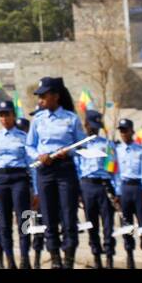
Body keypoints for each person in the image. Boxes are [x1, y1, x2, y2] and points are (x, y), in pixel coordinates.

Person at [26, 76, 85, 269]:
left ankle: (68, 258)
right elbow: (29, 146)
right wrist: (39, 155)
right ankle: (55, 259)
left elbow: (82, 145)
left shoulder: (71, 118)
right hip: (45, 170)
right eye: (39, 96)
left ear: (56, 96)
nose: (40, 100)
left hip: (65, 170)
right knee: (49, 217)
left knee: (68, 215)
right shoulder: (38, 119)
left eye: (44, 96)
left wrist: (68, 151)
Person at [0, 100, 35, 270]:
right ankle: (10, 261)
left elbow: (32, 165)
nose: (4, 118)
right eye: (1, 115)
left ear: (14, 115)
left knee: (25, 219)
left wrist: (34, 189)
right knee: (4, 223)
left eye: (7, 114)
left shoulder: (23, 137)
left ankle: (25, 258)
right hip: (1, 179)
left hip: (19, 178)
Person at [76, 109, 116, 269]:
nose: (93, 129)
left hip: (103, 186)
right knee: (91, 224)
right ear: (85, 125)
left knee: (108, 224)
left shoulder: (107, 144)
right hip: (86, 186)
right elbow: (77, 168)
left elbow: (112, 169)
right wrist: (78, 191)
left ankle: (109, 258)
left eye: (96, 126)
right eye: (91, 126)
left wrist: (115, 191)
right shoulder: (81, 145)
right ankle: (96, 257)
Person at [114, 118, 142, 269]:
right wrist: (117, 192)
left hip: (138, 187)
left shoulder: (141, 149)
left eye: (125, 130)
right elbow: (115, 172)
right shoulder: (116, 151)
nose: (123, 133)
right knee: (126, 224)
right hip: (124, 189)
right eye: (121, 131)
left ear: (132, 131)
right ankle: (130, 256)